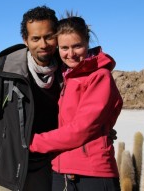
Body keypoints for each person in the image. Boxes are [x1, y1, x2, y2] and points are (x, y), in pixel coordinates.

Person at [0, 5, 62, 191]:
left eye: (49, 36)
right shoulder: (6, 72)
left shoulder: (65, 73)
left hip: (49, 172)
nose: (43, 44)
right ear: (25, 40)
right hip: (7, 175)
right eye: (35, 38)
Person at [29, 12, 123, 191]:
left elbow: (81, 130)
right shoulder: (64, 77)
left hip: (92, 175)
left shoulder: (99, 76)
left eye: (77, 46)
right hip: (60, 172)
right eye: (64, 48)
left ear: (88, 43)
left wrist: (31, 143)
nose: (70, 54)